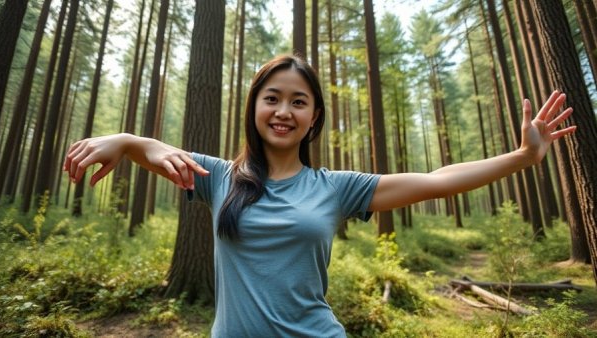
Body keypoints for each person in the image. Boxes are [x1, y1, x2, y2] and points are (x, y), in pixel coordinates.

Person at [64, 54, 575, 337]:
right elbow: (155, 150)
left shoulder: (336, 188)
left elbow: (438, 177)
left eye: (298, 101)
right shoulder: (220, 176)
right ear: (255, 109)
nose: (283, 110)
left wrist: (522, 158)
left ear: (313, 118)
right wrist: (125, 141)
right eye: (272, 98)